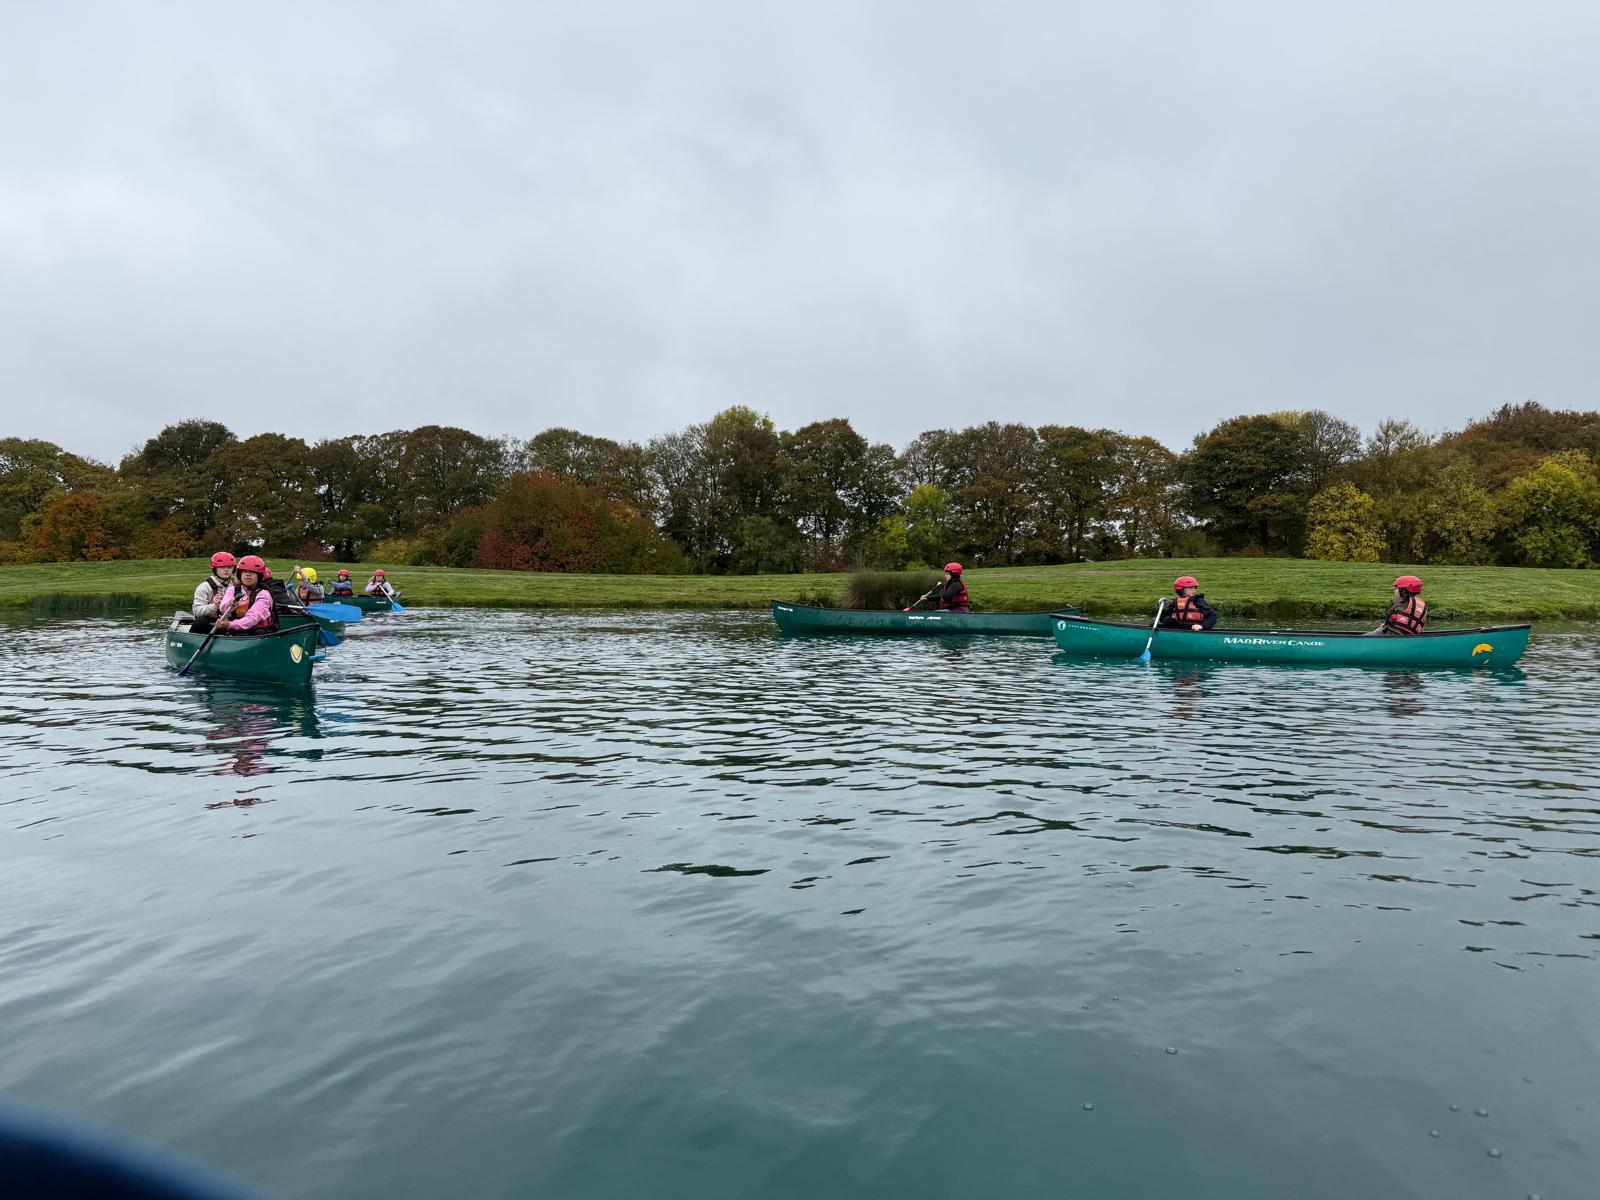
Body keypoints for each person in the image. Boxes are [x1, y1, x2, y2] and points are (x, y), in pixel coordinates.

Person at [195, 555, 276, 636]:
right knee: (200, 622)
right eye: (245, 571)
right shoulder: (232, 589)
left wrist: (229, 624)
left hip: (256, 631)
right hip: (236, 629)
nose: (248, 575)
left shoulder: (264, 595)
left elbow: (252, 618)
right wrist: (229, 604)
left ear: (259, 576)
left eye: (252, 572)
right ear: (240, 574)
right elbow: (223, 608)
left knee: (250, 634)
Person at [192, 552, 235, 621]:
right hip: (210, 622)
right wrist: (215, 606)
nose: (226, 569)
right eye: (222, 567)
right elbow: (196, 611)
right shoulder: (204, 587)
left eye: (229, 567)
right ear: (214, 569)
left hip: (231, 622)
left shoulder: (236, 586)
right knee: (200, 621)